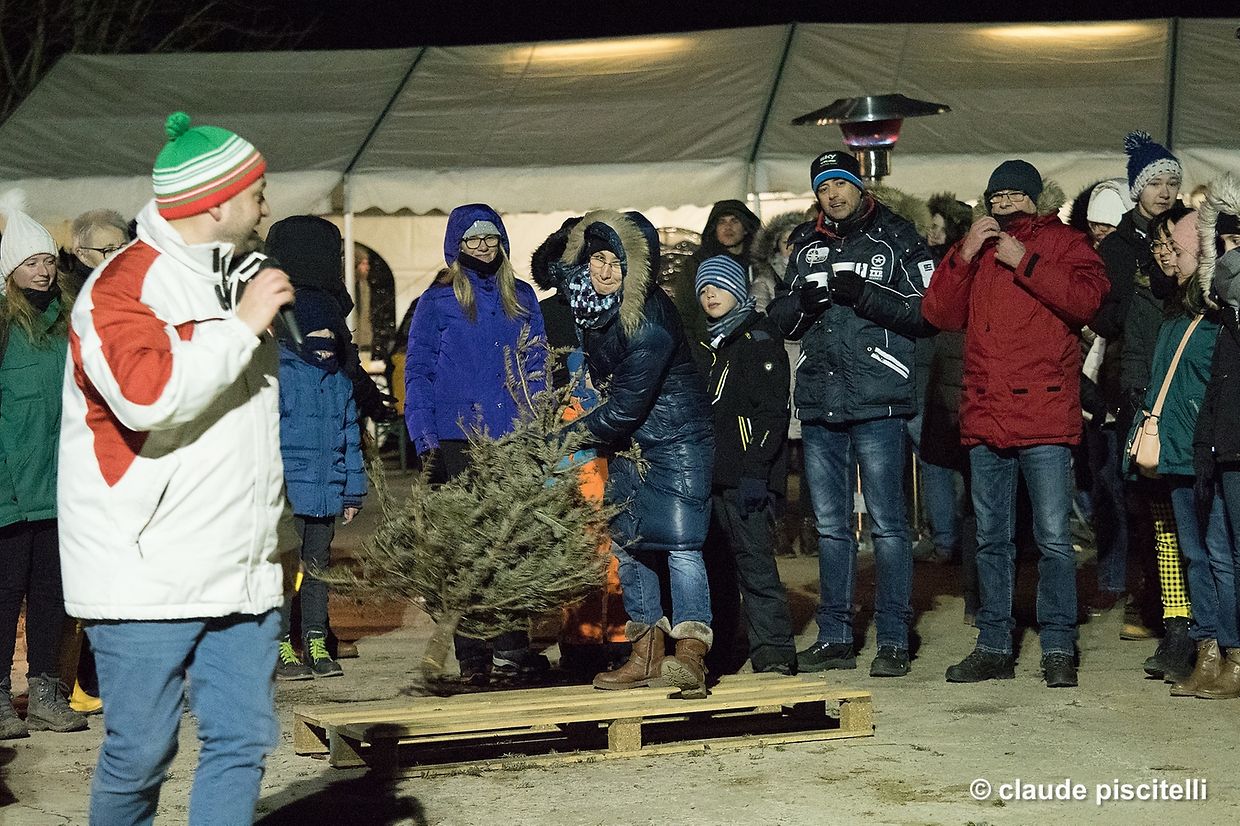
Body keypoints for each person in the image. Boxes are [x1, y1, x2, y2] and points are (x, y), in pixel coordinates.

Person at [58, 112, 295, 824]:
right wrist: (241, 325)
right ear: (216, 203)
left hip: (240, 569)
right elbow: (145, 397)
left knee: (244, 740)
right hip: (146, 571)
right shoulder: (119, 290)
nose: (265, 205)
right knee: (141, 752)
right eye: (257, 191)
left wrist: (273, 543)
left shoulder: (239, 275)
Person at [923, 160, 1110, 688]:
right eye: (994, 195)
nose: (1003, 203)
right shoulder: (975, 249)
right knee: (991, 538)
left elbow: (1088, 301)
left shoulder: (1066, 243)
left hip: (1044, 414)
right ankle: (993, 644)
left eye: (1013, 194)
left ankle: (1056, 646)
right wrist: (961, 254)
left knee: (1052, 537)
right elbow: (938, 314)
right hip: (986, 413)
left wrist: (1024, 260)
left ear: (1034, 198)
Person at [766, 149, 936, 679]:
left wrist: (863, 293)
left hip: (879, 397)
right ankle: (836, 635)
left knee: (887, 526)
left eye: (841, 184)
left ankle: (892, 638)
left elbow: (925, 313)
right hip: (821, 401)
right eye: (823, 188)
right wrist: (805, 304)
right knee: (831, 527)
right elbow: (779, 321)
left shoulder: (897, 236)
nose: (833, 195)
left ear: (860, 187)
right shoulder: (806, 245)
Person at [539, 209, 715, 698]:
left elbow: (621, 410)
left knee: (681, 546)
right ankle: (646, 653)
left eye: (618, 262)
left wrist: (562, 438)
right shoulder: (588, 300)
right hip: (631, 441)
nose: (606, 270)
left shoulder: (648, 323)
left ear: (638, 270)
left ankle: (690, 657)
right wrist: (573, 241)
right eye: (598, 258)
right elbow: (550, 265)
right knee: (627, 541)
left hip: (676, 437)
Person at [404, 203, 549, 686]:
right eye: (471, 239)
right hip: (455, 438)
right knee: (465, 547)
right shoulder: (439, 301)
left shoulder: (522, 296)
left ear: (502, 242)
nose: (481, 246)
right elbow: (418, 372)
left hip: (512, 436)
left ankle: (512, 648)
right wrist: (425, 438)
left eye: (489, 238)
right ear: (456, 246)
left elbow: (536, 365)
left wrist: (537, 426)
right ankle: (473, 655)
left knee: (511, 543)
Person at [1124, 206, 1230, 698]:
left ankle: (1229, 648)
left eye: (1175, 246)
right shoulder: (1174, 310)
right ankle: (1208, 648)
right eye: (1161, 246)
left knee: (1218, 554)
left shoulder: (1216, 316)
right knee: (1194, 555)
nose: (1166, 255)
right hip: (1179, 450)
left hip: (1206, 448)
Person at [0, 193, 88, 740]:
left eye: (48, 260)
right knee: (5, 593)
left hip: (60, 483)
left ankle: (49, 691)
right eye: (31, 262)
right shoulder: (2, 325)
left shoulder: (67, 323)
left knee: (54, 591)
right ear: (11, 271)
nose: (43, 269)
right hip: (9, 484)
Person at [1091, 131, 1185, 642]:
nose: (1165, 192)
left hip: (1179, 377)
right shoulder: (1119, 247)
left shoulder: (1183, 233)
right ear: (1136, 189)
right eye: (1156, 183)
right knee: (1142, 491)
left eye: (1172, 182)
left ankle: (1177, 603)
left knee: (1178, 492)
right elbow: (1103, 317)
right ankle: (1150, 599)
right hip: (1134, 379)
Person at [265, 217, 368, 681]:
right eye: (319, 337)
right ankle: (283, 645)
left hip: (325, 491)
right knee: (287, 573)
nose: (327, 343)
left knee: (317, 572)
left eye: (333, 337)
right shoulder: (280, 371)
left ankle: (315, 641)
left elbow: (351, 435)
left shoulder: (338, 379)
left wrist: (351, 491)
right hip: (289, 491)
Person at [694, 255, 796, 675]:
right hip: (712, 474)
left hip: (746, 473)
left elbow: (772, 412)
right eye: (703, 289)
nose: (710, 294)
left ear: (737, 290)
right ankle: (722, 649)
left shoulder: (759, 341)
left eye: (718, 285)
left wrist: (758, 472)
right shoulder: (708, 345)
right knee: (716, 565)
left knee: (754, 563)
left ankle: (773, 650)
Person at [1192, 175, 1240, 698]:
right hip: (1225, 440)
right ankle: (1225, 649)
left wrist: (1230, 263)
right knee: (1219, 551)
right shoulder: (1223, 312)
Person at [64, 209, 131, 292]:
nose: (120, 256)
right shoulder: (75, 295)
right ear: (83, 255)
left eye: (123, 247)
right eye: (109, 250)